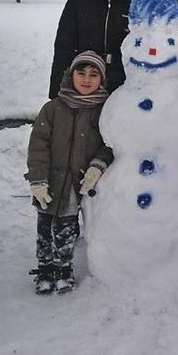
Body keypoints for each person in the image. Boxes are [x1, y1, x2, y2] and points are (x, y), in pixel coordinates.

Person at [26, 51, 113, 294]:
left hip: (77, 183)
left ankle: (63, 269)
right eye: (81, 73)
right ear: (70, 75)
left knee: (67, 229)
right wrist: (37, 179)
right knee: (45, 228)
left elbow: (109, 146)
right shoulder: (52, 109)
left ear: (101, 80)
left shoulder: (103, 112)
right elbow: (38, 146)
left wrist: (98, 166)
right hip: (50, 182)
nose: (87, 79)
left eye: (94, 74)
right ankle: (45, 269)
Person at [48, 0, 133, 99]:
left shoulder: (134, 0)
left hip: (124, 88)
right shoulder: (78, 1)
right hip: (85, 86)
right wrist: (57, 96)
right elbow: (64, 49)